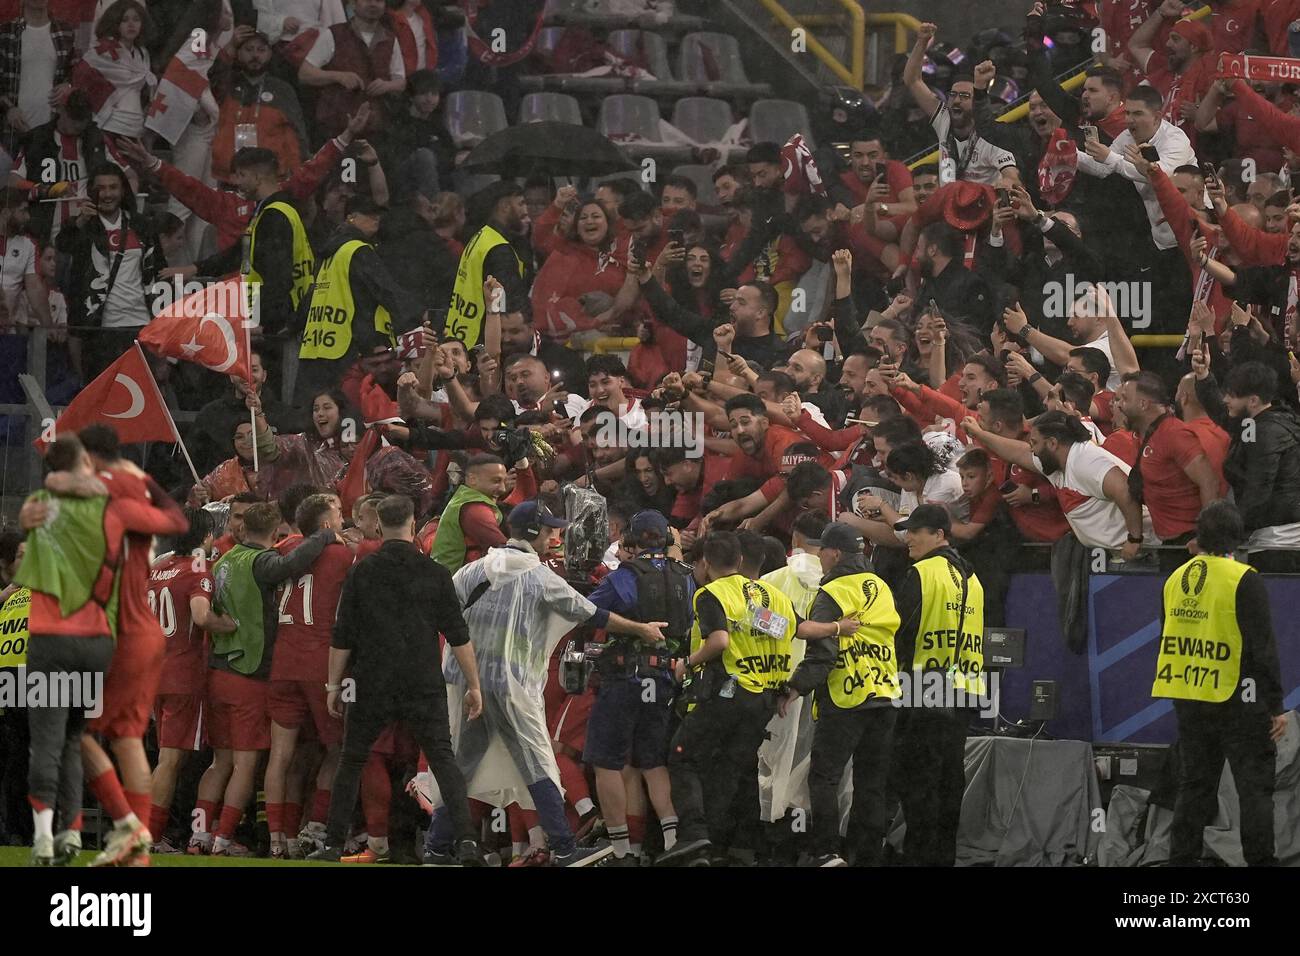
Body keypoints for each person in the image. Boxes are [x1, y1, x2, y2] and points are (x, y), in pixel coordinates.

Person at [428, 499, 668, 866]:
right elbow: (591, 613)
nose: (555, 535)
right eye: (550, 529)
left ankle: (436, 847)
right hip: (511, 686)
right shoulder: (538, 576)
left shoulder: (472, 570)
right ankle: (565, 848)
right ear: (533, 533)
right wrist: (642, 629)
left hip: (467, 683)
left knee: (462, 765)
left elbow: (442, 611)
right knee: (540, 763)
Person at [16, 434, 186, 866]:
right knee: (125, 739)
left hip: (117, 631)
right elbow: (177, 520)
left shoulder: (101, 496)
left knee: (77, 734)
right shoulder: (132, 503)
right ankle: (133, 847)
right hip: (145, 629)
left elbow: (64, 490)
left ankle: (124, 825)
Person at [307, 494, 485, 864]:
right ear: (414, 524)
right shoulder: (434, 573)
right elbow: (458, 635)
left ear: (378, 526)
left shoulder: (363, 571)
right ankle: (467, 842)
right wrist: (474, 686)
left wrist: (332, 685)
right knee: (442, 759)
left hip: (374, 678)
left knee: (352, 760)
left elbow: (342, 636)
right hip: (422, 678)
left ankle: (333, 845)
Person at [193, 502, 336, 856]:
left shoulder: (224, 560)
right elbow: (288, 565)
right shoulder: (261, 562)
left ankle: (199, 836)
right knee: (246, 763)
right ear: (274, 535)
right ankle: (224, 839)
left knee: (219, 762)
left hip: (218, 668)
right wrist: (324, 536)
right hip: (249, 671)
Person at [1152, 500, 1287, 866]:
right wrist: (1276, 706)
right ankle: (1260, 863)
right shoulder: (1244, 578)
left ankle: (1181, 861)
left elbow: (1168, 634)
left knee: (1194, 785)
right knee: (1254, 790)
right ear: (1237, 538)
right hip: (1236, 699)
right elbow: (1263, 648)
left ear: (1199, 535)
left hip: (1188, 695)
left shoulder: (1175, 579)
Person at [657, 530, 798, 867]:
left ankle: (693, 835)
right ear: (739, 561)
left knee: (682, 756)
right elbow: (793, 630)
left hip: (729, 693)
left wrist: (685, 664)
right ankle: (713, 847)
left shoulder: (711, 593)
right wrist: (837, 628)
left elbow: (719, 640)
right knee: (728, 770)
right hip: (764, 698)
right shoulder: (763, 596)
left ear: (704, 563)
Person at [781, 521, 899, 868]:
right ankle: (868, 855)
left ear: (833, 553)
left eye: (822, 554)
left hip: (846, 697)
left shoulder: (832, 591)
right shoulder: (882, 587)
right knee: (872, 783)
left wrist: (795, 687)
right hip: (885, 694)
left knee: (825, 776)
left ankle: (826, 852)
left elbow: (823, 651)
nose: (821, 561)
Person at [582, 509, 691, 865]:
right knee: (653, 761)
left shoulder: (623, 576)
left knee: (606, 762)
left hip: (624, 676)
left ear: (632, 539)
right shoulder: (687, 577)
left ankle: (620, 850)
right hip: (664, 677)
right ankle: (674, 842)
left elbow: (586, 612)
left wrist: (629, 627)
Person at [891, 504, 985, 867]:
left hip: (922, 688)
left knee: (918, 780)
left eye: (917, 531)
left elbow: (900, 630)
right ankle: (943, 857)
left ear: (939, 535)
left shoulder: (923, 572)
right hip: (964, 688)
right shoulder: (972, 578)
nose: (909, 538)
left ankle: (919, 858)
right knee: (949, 778)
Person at [265, 493, 353, 859]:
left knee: (282, 755)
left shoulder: (282, 550)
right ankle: (316, 828)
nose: (344, 518)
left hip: (282, 662)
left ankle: (277, 838)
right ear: (327, 524)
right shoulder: (344, 555)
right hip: (322, 663)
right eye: (338, 514)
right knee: (339, 750)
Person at [146, 508, 236, 854]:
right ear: (206, 536)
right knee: (170, 760)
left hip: (155, 670)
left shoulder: (157, 570)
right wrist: (228, 624)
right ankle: (150, 836)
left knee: (166, 758)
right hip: (184, 674)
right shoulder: (198, 571)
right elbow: (201, 616)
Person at [295, 195, 426, 404]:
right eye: (370, 215)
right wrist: (419, 315)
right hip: (348, 346)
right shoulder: (358, 250)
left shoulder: (329, 254)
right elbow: (385, 289)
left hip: (317, 346)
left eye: (378, 216)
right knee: (353, 408)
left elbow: (310, 298)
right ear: (351, 217)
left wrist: (292, 325)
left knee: (319, 408)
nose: (376, 220)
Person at [56, 163, 165, 381]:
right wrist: (80, 221)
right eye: (101, 188)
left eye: (113, 187)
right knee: (102, 396)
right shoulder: (82, 225)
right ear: (91, 192)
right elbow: (63, 246)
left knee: (141, 395)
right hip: (99, 328)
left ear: (123, 190)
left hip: (140, 324)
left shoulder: (141, 224)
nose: (107, 194)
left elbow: (160, 269)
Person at [297, 0, 405, 140]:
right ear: (353, 4)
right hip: (336, 126)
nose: (373, 4)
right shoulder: (333, 34)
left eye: (379, 0)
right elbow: (304, 73)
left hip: (375, 127)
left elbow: (401, 82)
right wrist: (338, 76)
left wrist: (387, 85)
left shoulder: (390, 39)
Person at [445, 180, 531, 348]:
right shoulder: (499, 249)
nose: (525, 211)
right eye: (521, 203)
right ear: (505, 206)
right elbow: (506, 307)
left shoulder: (480, 237)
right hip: (484, 341)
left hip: (462, 334)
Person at [0, 0, 78, 136]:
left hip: (53, 126)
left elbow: (77, 72)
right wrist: (8, 109)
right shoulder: (5, 33)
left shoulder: (65, 31)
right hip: (14, 127)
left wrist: (69, 85)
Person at [429, 453, 509, 572]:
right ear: (472, 480)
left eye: (504, 481)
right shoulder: (475, 509)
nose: (503, 488)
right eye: (496, 481)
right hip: (457, 585)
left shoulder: (464, 499)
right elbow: (502, 548)